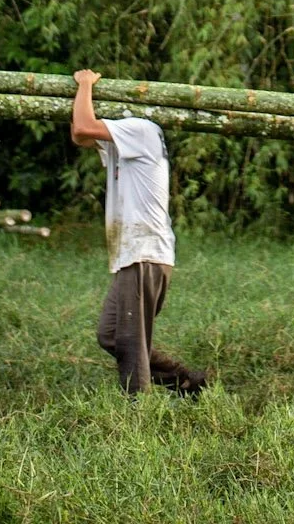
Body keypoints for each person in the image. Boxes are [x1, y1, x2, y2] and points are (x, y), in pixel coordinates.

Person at [71, 69, 207, 396]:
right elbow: (82, 135)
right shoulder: (124, 138)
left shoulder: (142, 130)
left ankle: (137, 418)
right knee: (110, 334)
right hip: (135, 254)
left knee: (130, 342)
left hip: (145, 253)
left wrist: (86, 85)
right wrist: (83, 95)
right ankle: (187, 381)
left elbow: (83, 125)